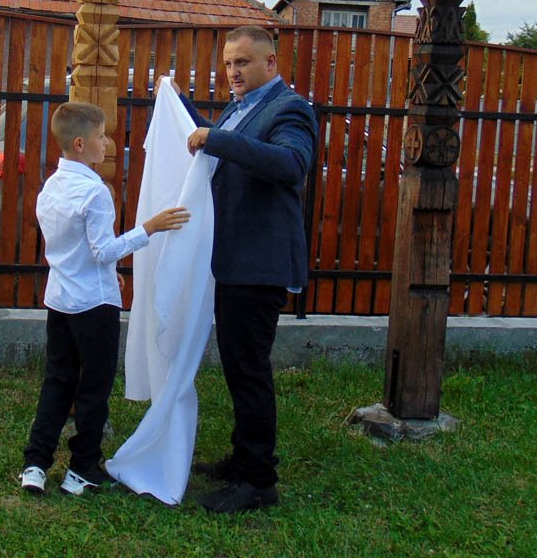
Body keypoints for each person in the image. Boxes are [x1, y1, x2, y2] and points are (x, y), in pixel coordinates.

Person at [175, 25, 317, 515]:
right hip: (235, 261)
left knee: (249, 369)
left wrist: (216, 138)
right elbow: (221, 147)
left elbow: (291, 164)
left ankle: (258, 481)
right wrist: (180, 107)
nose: (233, 72)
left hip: (260, 265)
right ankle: (241, 459)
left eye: (243, 62)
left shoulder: (289, 108)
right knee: (238, 366)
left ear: (270, 63)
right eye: (228, 64)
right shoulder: (240, 108)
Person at [18, 101, 190, 496]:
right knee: (94, 387)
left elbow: (69, 247)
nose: (107, 143)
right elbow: (101, 250)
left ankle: (35, 464)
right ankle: (82, 468)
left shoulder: (51, 186)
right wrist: (149, 228)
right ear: (80, 144)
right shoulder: (94, 192)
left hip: (60, 301)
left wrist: (105, 269)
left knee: (58, 380)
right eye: (101, 136)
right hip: (94, 307)